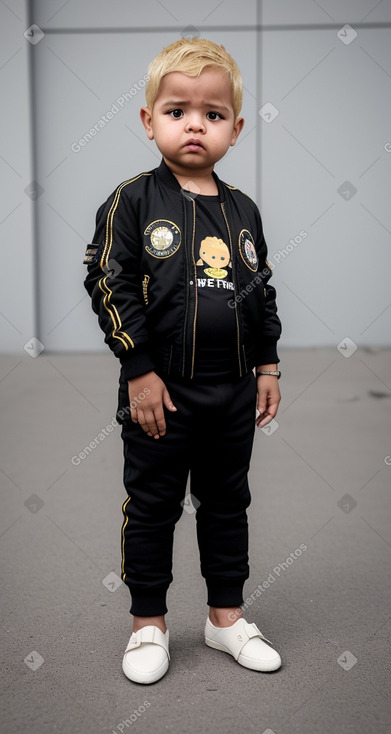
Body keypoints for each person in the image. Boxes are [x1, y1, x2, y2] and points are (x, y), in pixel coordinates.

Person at [84, 37, 282, 685]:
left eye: (213, 114)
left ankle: (225, 621)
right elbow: (107, 284)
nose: (195, 123)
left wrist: (268, 366)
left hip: (229, 394)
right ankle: (148, 625)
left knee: (228, 504)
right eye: (177, 110)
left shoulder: (242, 210)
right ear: (149, 121)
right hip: (158, 392)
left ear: (235, 129)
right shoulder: (133, 202)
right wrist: (139, 369)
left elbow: (261, 293)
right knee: (152, 506)